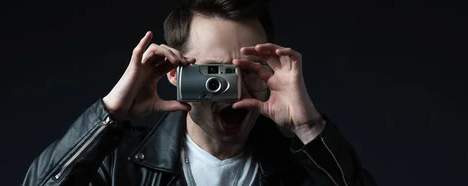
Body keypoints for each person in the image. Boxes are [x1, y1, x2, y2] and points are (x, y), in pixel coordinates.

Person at [23, 0, 376, 185]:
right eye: (215, 72)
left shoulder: (301, 172)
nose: (233, 88)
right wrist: (109, 115)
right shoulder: (118, 166)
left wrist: (310, 129)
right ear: (175, 73)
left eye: (247, 69)